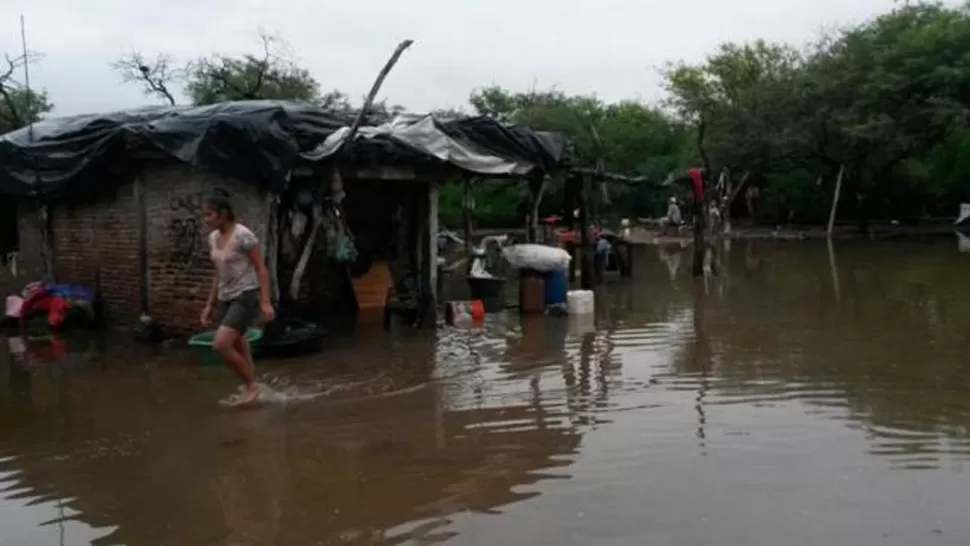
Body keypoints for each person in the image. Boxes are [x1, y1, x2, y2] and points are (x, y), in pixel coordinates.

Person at [200, 190, 275, 405]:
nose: (206, 220)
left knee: (221, 345)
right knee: (240, 343)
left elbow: (261, 268)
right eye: (204, 215)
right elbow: (218, 272)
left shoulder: (244, 235)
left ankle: (252, 385)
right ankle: (252, 385)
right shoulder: (213, 238)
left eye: (209, 215)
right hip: (226, 297)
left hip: (246, 294)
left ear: (223, 214)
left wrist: (265, 301)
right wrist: (210, 304)